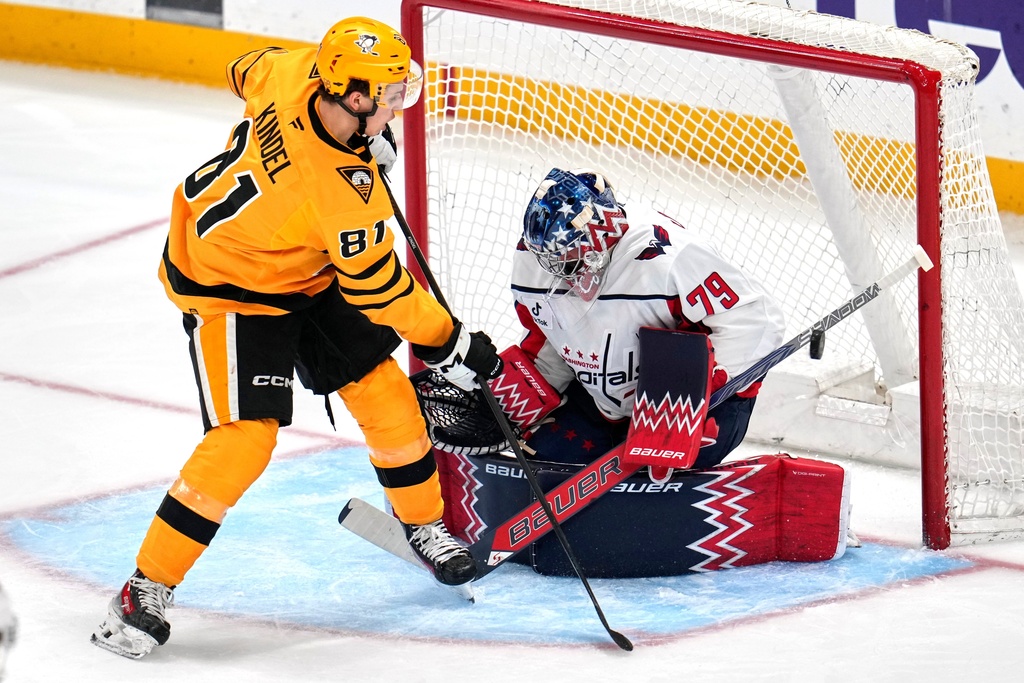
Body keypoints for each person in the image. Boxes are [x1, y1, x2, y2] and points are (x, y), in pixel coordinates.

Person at [91, 16, 502, 660]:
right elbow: (383, 293)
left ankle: (422, 526)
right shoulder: (343, 199)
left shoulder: (297, 71)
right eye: (390, 94)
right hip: (226, 282)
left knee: (384, 390)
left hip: (302, 265)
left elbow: (244, 67)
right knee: (245, 441)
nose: (399, 103)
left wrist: (323, 148)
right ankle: (143, 589)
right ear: (355, 97)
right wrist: (452, 340)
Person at [505, 167, 786, 468]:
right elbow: (547, 341)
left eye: (570, 263)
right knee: (546, 460)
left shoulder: (666, 257)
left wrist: (700, 391)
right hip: (605, 402)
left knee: (671, 469)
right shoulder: (535, 259)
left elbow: (757, 321)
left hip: (700, 402)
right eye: (550, 262)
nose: (556, 274)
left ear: (601, 237)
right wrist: (515, 402)